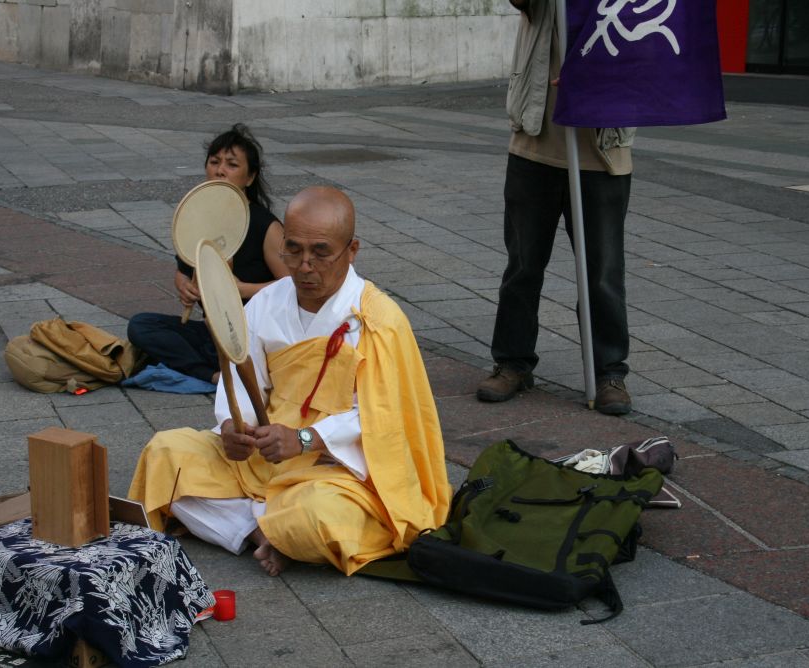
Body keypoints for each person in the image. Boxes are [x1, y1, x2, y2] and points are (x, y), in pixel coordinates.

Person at [128, 187, 451, 576]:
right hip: (264, 453)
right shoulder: (268, 301)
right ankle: (261, 533)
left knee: (318, 515)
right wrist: (234, 426)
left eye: (320, 253)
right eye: (293, 250)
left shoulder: (378, 320)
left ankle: (265, 524)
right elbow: (241, 377)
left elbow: (384, 417)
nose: (304, 266)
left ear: (352, 251)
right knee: (164, 455)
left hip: (334, 469)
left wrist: (304, 439)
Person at [476, 0, 635, 415]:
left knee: (602, 273)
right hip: (535, 142)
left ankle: (608, 372)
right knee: (523, 266)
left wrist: (595, 74)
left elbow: (645, 43)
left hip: (603, 151)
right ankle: (513, 362)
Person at [127, 124, 289, 385]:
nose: (220, 170)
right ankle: (214, 376)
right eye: (214, 162)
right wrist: (185, 287)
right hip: (211, 331)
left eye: (232, 165)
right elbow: (183, 272)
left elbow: (292, 286)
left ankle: (214, 369)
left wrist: (238, 290)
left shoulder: (265, 226)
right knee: (140, 326)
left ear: (250, 177)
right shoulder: (198, 218)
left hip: (253, 334)